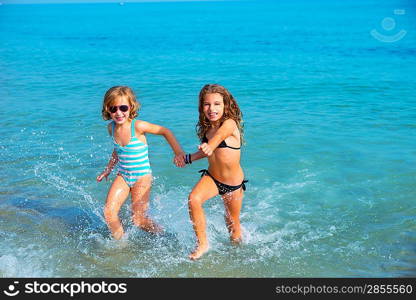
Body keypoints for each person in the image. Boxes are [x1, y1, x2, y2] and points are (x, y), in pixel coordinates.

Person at [97, 86, 185, 240]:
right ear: (107, 109)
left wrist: (178, 153)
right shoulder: (110, 128)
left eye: (123, 107)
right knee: (109, 213)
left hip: (141, 176)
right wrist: (108, 169)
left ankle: (164, 235)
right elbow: (117, 150)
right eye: (113, 108)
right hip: (123, 175)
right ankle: (121, 245)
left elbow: (165, 131)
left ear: (131, 107)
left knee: (138, 220)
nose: (118, 112)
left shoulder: (137, 126)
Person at [178, 84, 247, 260]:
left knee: (233, 225)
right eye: (207, 104)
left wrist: (210, 145)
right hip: (212, 177)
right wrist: (187, 159)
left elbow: (219, 138)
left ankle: (239, 254)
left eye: (217, 104)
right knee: (194, 199)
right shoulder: (207, 128)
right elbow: (207, 151)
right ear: (202, 107)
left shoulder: (230, 124)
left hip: (232, 184)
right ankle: (203, 244)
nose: (212, 109)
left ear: (226, 105)